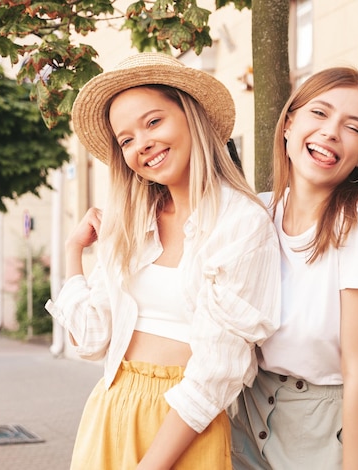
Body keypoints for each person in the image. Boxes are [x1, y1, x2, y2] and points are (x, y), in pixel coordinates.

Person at [45, 52, 281, 470]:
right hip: (111, 408)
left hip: (184, 424)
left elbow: (218, 371)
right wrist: (72, 253)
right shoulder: (133, 226)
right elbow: (91, 340)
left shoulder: (241, 222)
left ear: (190, 117)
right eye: (127, 139)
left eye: (153, 122)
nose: (142, 145)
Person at [229, 66, 358, 469]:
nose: (331, 131)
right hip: (249, 411)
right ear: (289, 122)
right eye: (319, 113)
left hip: (322, 425)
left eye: (352, 127)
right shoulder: (258, 212)